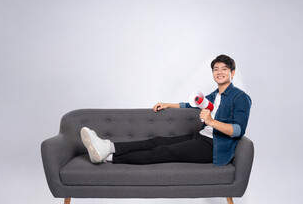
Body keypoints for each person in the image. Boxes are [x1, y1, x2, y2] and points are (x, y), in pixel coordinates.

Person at [80, 54, 251, 166]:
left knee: (163, 152)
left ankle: (109, 159)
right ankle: (108, 146)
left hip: (214, 147)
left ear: (232, 73)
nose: (219, 72)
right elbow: (192, 104)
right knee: (157, 140)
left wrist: (212, 122)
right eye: (216, 69)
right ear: (213, 73)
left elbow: (238, 130)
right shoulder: (216, 95)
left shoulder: (240, 97)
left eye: (224, 69)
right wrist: (169, 105)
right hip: (201, 137)